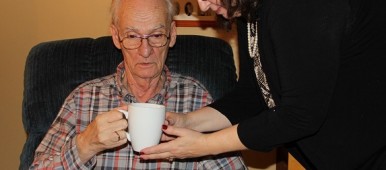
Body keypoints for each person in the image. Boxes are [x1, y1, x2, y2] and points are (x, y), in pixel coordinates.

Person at [140, 0, 386, 169]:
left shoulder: (297, 7)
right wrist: (187, 121)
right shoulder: (249, 7)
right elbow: (253, 95)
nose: (204, 5)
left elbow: (300, 116)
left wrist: (203, 145)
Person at [29, 0, 247, 169]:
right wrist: (85, 146)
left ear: (172, 35)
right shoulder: (83, 99)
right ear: (116, 36)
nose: (145, 51)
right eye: (132, 35)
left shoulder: (196, 98)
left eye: (156, 35)